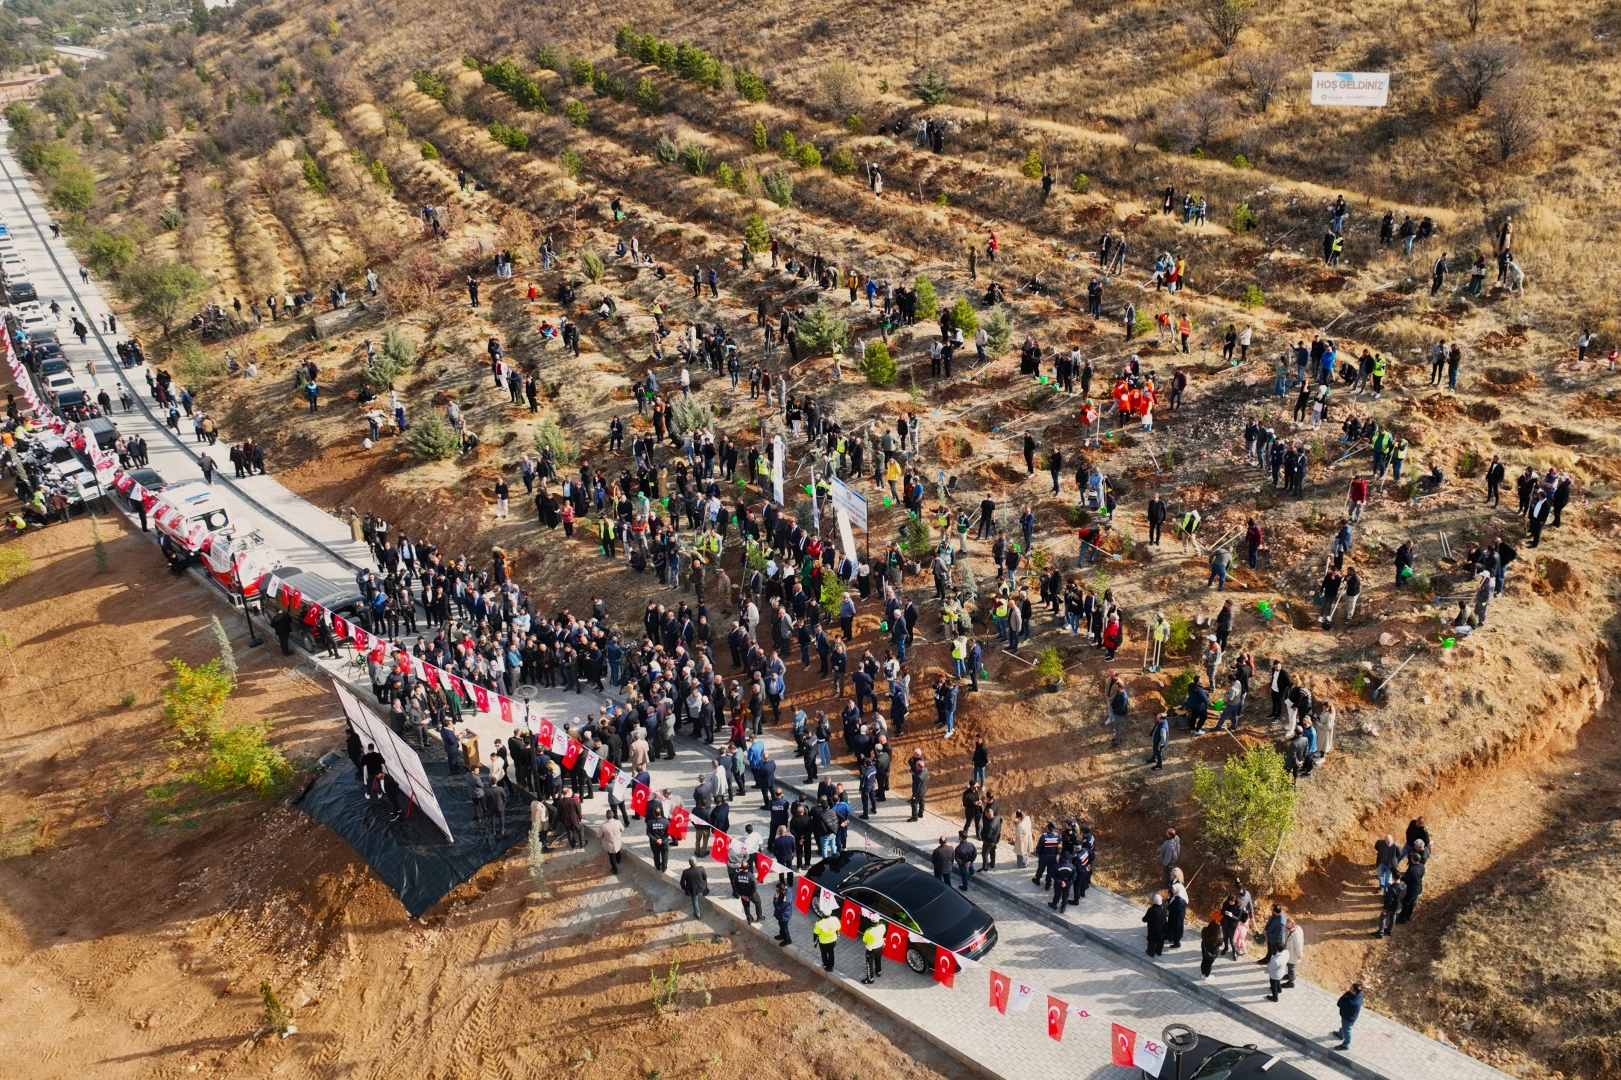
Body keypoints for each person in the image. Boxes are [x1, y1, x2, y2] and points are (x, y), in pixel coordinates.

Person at [1336, 982, 1364, 1049]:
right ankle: (1340, 1033)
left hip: (1348, 1018)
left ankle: (1346, 1044)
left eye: (1351, 988)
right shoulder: (1360, 995)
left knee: (1347, 1030)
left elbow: (1339, 1003)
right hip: (1352, 1016)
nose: (1349, 989)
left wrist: (1344, 996)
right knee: (1345, 1027)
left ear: (1354, 992)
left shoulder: (1352, 1003)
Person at [861, 918, 885, 983]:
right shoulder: (882, 927)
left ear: (871, 922)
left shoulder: (868, 931)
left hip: (871, 949)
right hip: (880, 946)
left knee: (869, 963)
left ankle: (870, 979)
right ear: (878, 921)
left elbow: (864, 940)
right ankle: (878, 972)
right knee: (878, 959)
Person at [1200, 912, 1224, 978]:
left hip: (1204, 948)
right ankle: (1206, 976)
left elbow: (1202, 935)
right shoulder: (1218, 937)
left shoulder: (1205, 930)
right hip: (1212, 952)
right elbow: (1220, 944)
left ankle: (1203, 973)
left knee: (1204, 960)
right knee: (1209, 964)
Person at [772, 880, 794, 945]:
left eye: (777, 890)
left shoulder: (785, 900)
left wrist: (775, 899)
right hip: (785, 913)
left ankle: (787, 939)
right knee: (780, 924)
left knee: (784, 928)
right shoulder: (788, 890)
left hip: (784, 916)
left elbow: (779, 907)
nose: (776, 892)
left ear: (782, 890)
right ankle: (782, 935)